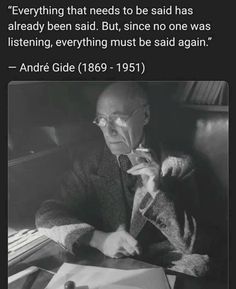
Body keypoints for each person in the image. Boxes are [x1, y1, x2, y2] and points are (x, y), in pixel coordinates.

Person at [35, 82, 212, 277]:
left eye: (118, 119)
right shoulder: (90, 163)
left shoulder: (178, 165)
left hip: (167, 267)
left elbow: (196, 244)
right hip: (111, 266)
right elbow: (46, 214)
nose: (109, 131)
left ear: (145, 116)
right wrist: (99, 239)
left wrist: (156, 193)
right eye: (101, 120)